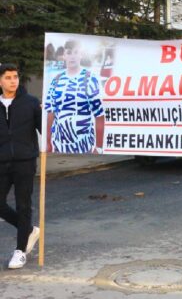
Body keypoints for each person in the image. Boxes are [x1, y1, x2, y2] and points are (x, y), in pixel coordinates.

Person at [0, 64, 42, 269]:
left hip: (25, 162)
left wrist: (50, 116)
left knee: (23, 205)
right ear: (0, 81)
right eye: (8, 77)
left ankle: (20, 251)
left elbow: (45, 129)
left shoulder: (31, 103)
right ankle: (29, 230)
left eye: (15, 76)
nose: (13, 81)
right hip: (2, 163)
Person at [45, 40, 105, 154]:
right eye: (69, 53)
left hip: (85, 146)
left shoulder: (90, 79)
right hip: (59, 146)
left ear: (81, 55)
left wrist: (99, 147)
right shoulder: (56, 80)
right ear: (64, 56)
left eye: (76, 52)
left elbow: (99, 115)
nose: (72, 56)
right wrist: (48, 143)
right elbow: (50, 113)